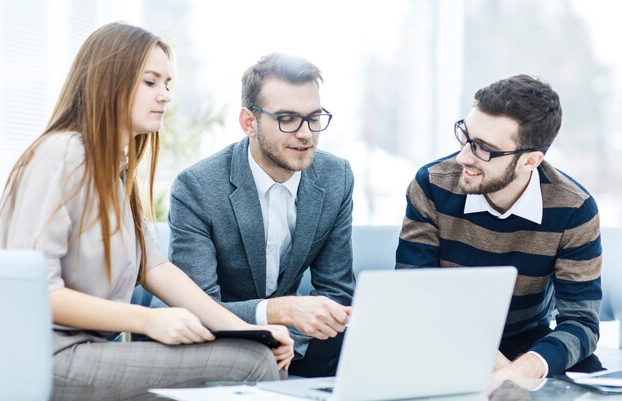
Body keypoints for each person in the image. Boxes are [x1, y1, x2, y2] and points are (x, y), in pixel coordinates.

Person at [0, 22, 293, 401]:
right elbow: (38, 293)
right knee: (250, 365)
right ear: (109, 81)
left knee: (254, 352)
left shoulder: (118, 170)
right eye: (150, 82)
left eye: (168, 83)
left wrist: (252, 332)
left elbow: (156, 268)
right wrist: (149, 321)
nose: (165, 96)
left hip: (88, 354)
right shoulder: (62, 154)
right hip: (43, 363)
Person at [396, 75, 604, 381]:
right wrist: (478, 352)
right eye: (465, 136)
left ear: (531, 160)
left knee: (587, 379)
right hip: (439, 332)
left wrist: (523, 370)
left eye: (484, 149)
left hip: (526, 340)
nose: (463, 156)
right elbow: (413, 295)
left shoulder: (574, 209)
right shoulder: (431, 184)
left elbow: (582, 323)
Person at [167, 52, 355, 377]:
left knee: (363, 345)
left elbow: (336, 291)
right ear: (248, 122)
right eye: (287, 118)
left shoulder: (335, 177)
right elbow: (198, 305)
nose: (306, 133)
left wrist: (286, 343)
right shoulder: (197, 187)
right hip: (213, 335)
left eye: (314, 117)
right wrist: (278, 313)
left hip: (292, 340)